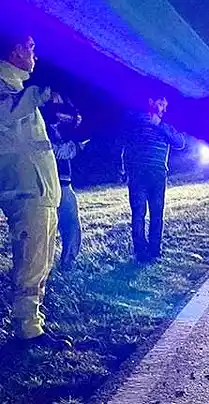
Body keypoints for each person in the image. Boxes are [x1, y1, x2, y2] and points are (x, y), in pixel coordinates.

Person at [0, 25, 72, 350]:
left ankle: (33, 323)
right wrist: (43, 95)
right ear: (15, 51)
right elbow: (8, 112)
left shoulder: (17, 89)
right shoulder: (7, 89)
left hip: (41, 193)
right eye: (30, 47)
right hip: (25, 194)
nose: (35, 55)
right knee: (30, 263)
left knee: (40, 261)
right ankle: (27, 332)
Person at [120, 94, 185, 262]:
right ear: (151, 102)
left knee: (157, 214)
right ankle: (140, 252)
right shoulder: (137, 123)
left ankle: (155, 251)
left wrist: (160, 126)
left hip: (158, 176)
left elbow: (179, 142)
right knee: (138, 214)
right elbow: (126, 147)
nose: (164, 108)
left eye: (165, 105)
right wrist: (125, 170)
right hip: (138, 175)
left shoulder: (166, 126)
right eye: (161, 104)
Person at [44, 94, 89, 270]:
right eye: (55, 106)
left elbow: (77, 118)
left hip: (65, 184)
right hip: (50, 185)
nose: (61, 112)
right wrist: (77, 146)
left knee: (72, 227)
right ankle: (42, 267)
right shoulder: (41, 127)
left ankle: (68, 264)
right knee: (48, 229)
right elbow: (58, 152)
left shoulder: (59, 128)